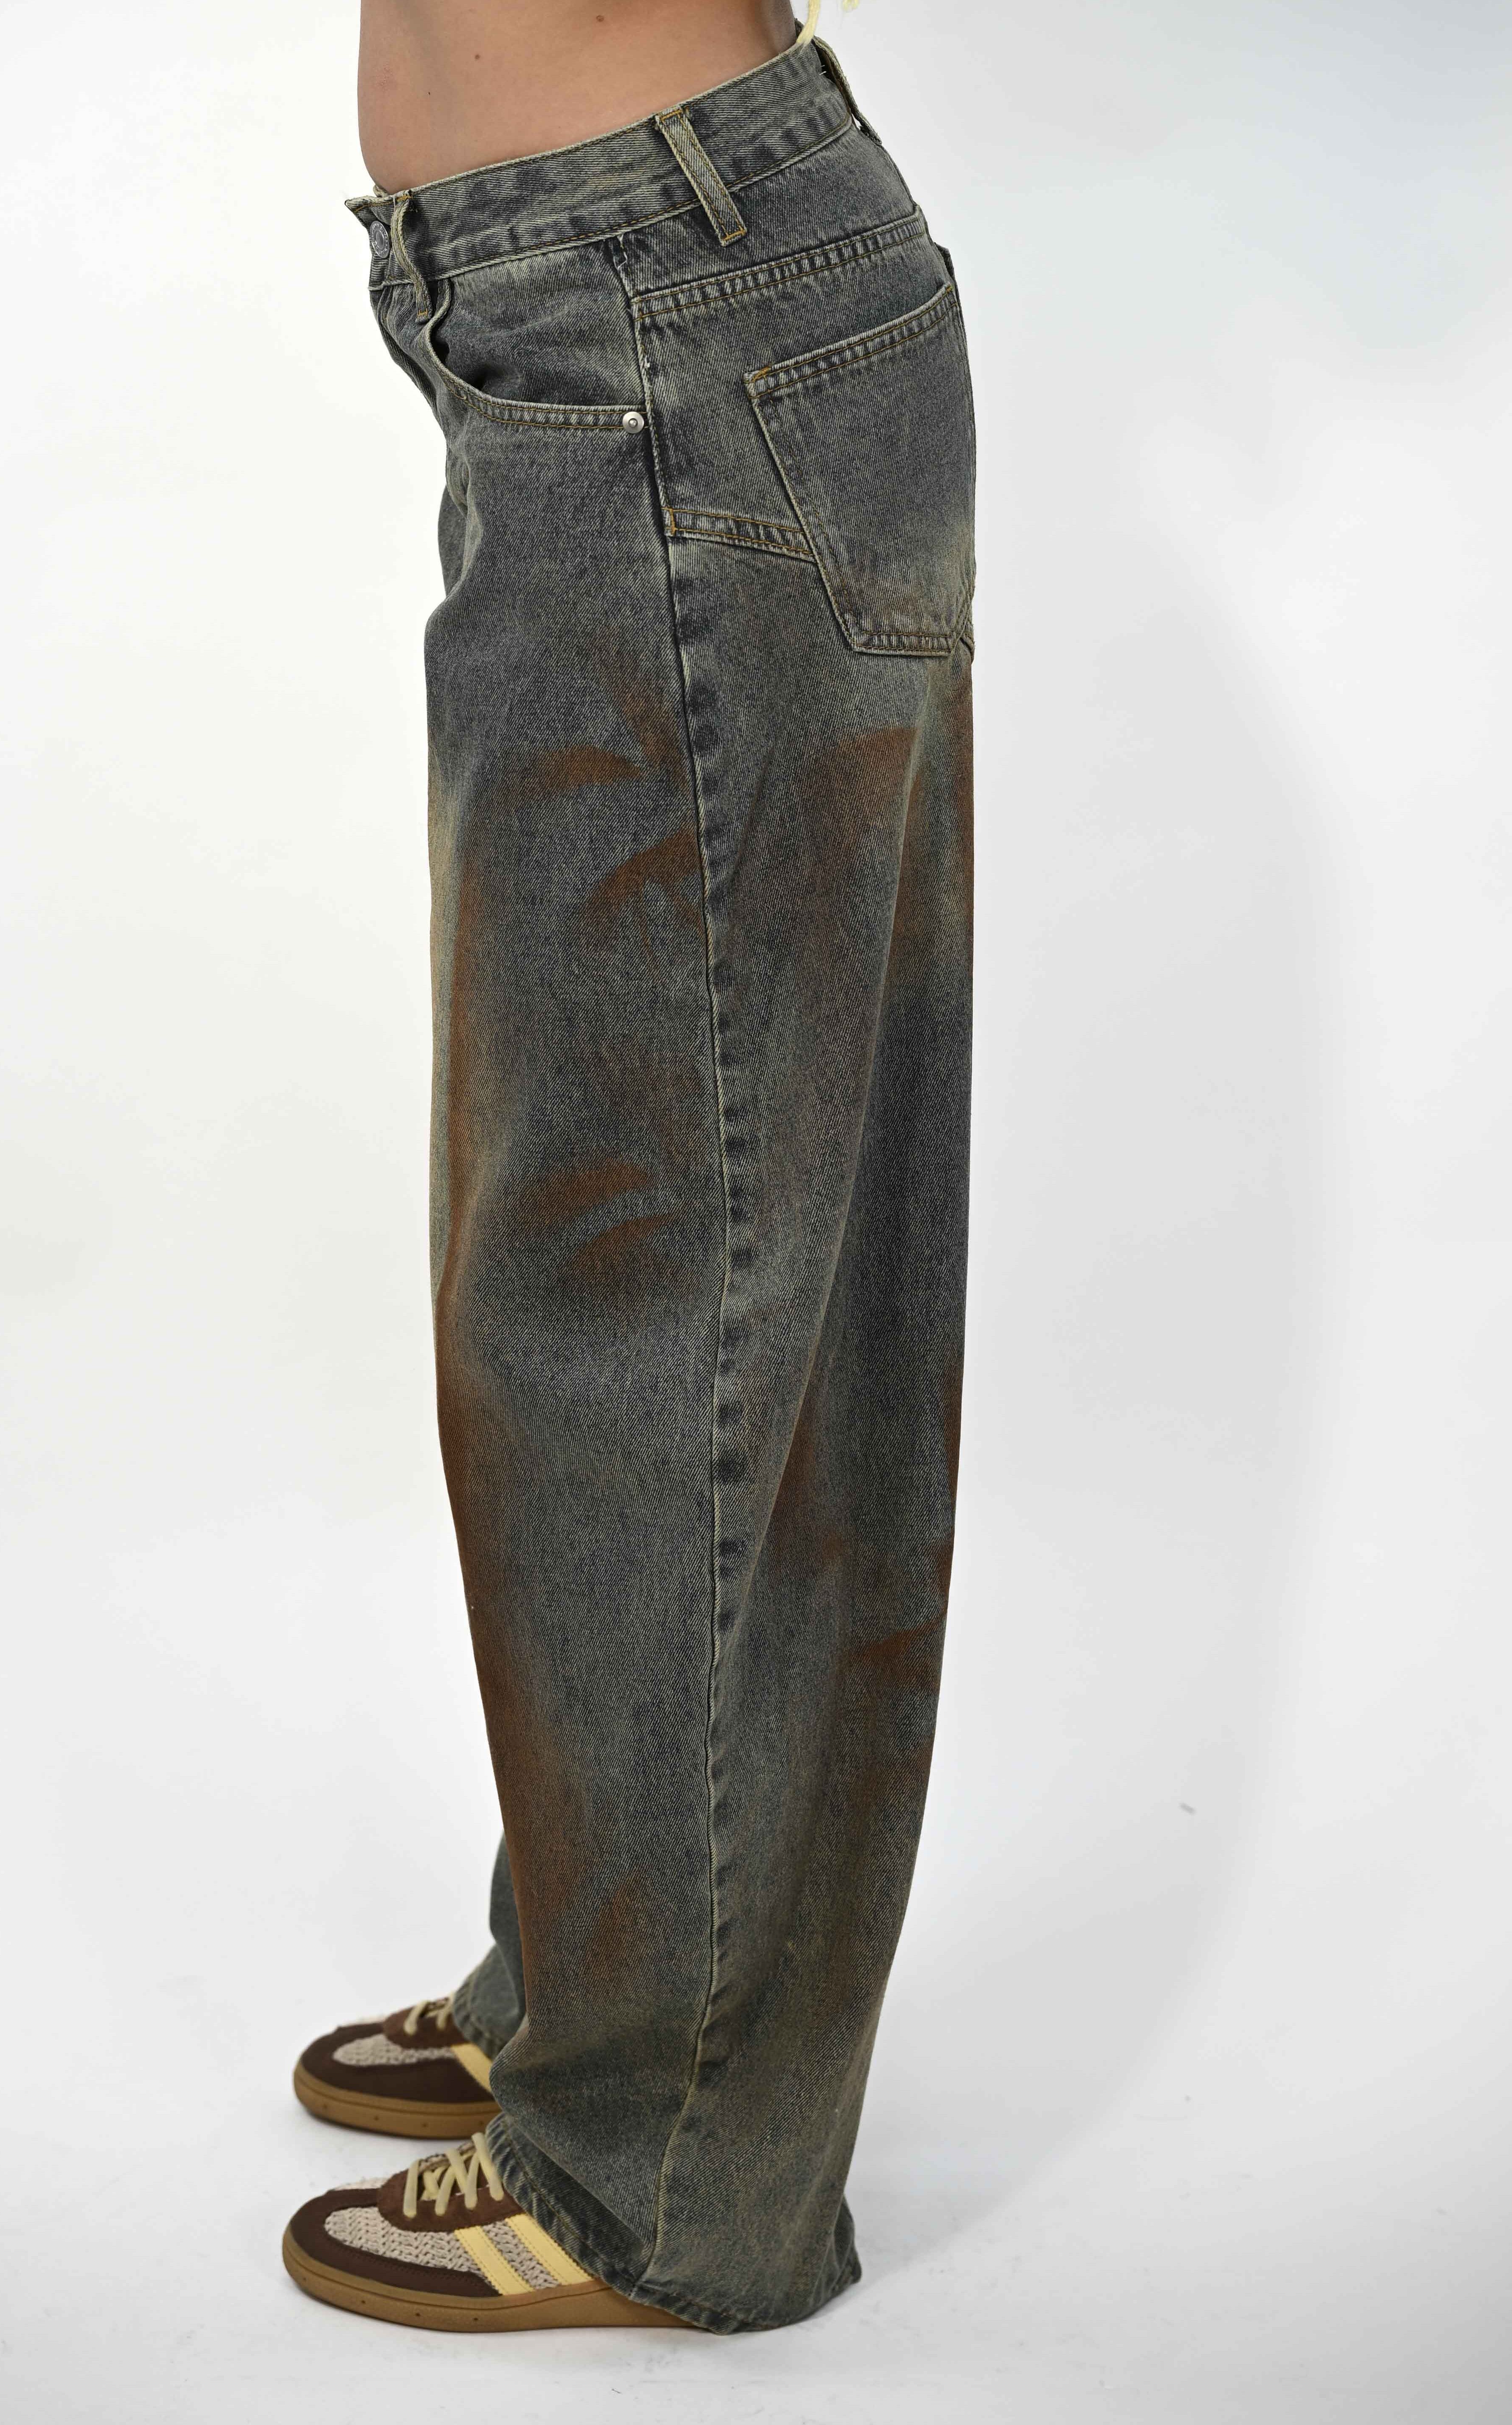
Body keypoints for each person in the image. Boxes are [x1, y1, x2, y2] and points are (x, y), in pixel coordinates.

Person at [282, 0, 976, 2335]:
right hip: (615, 312)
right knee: (680, 1248)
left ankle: (669, 2166)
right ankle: (618, 1995)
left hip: (667, 313)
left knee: (650, 1290)